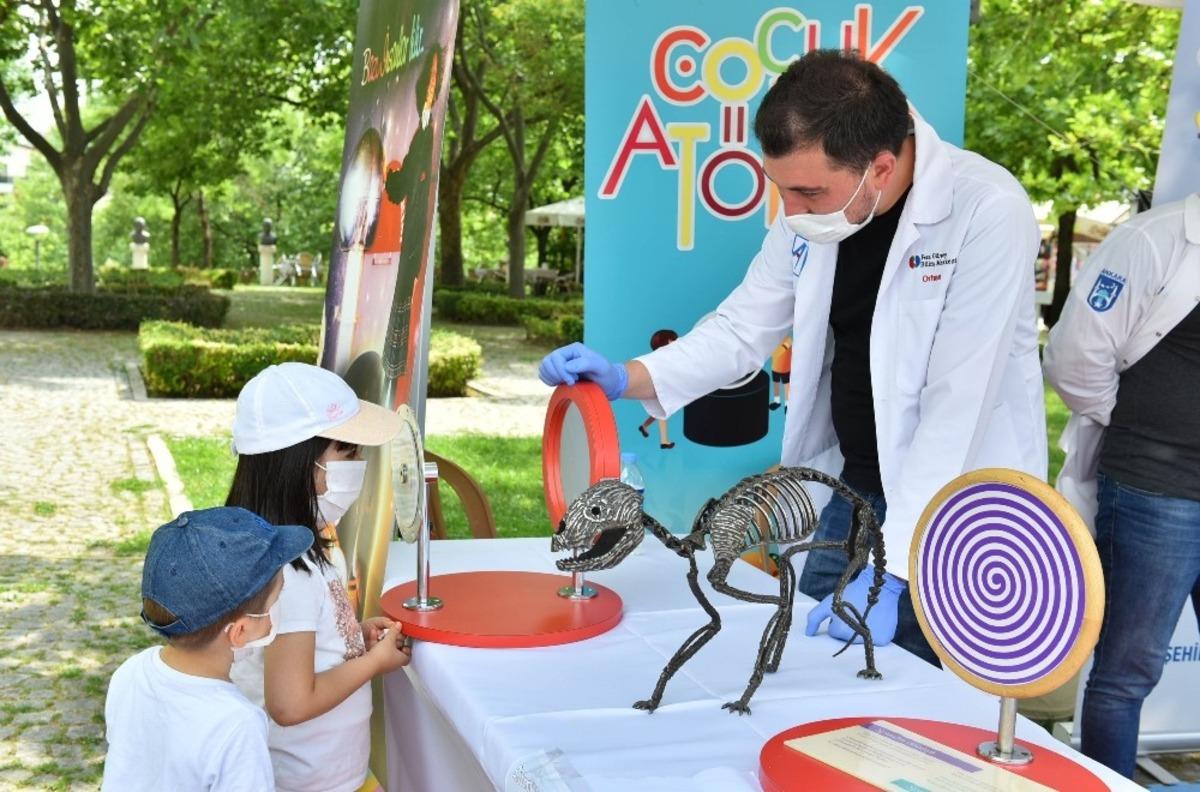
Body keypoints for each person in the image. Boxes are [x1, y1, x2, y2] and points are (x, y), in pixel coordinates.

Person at [538, 50, 1045, 665]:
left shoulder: (986, 210)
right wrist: (628, 377)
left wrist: (897, 569)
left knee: (929, 706)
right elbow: (742, 326)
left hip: (959, 508)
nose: (790, 211)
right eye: (781, 190)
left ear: (880, 168)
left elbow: (957, 406)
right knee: (814, 678)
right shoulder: (812, 213)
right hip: (856, 484)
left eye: (807, 192)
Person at [1044, 192, 1200, 778]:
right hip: (1155, 490)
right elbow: (1073, 359)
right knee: (1125, 673)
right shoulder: (1152, 239)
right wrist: (1141, 423)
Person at [226, 362, 413, 792]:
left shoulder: (303, 548)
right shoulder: (287, 574)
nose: (361, 464)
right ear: (299, 465)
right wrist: (372, 664)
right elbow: (291, 704)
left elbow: (299, 644)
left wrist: (353, 635)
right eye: (348, 452)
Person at [102, 506, 313, 791]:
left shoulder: (130, 672)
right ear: (239, 632)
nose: (278, 607)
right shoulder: (237, 724)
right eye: (276, 599)